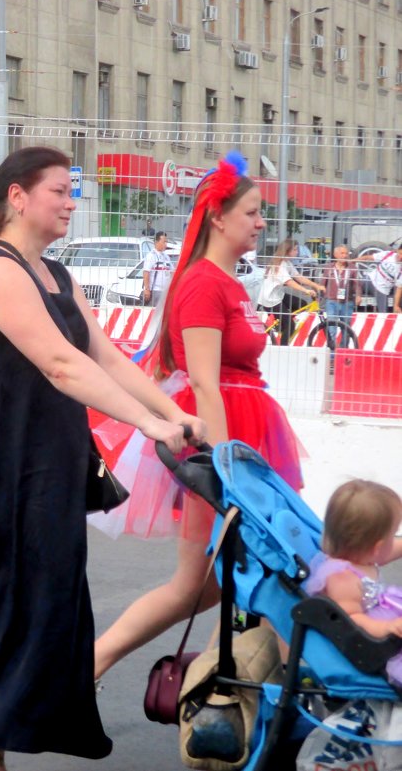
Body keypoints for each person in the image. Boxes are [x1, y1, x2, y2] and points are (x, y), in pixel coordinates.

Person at [0, 146, 199, 771]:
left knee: (42, 609)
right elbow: (62, 365)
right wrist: (147, 424)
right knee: (4, 611)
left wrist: (170, 414)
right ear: (17, 196)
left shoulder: (55, 273)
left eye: (73, 191)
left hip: (46, 469)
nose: (72, 201)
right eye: (60, 190)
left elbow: (105, 356)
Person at [93, 152, 306, 683]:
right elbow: (205, 383)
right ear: (218, 216)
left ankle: (227, 687)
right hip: (227, 439)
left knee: (231, 578)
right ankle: (95, 663)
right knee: (203, 582)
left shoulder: (229, 282)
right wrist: (230, 469)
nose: (262, 223)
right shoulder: (204, 284)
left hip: (248, 433)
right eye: (254, 212)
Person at [304, 480, 402, 685]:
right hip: (371, 641)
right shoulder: (342, 578)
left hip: (386, 611)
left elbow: (387, 553)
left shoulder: (361, 555)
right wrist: (386, 627)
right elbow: (350, 619)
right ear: (377, 546)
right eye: (393, 536)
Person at [257, 238, 325, 345]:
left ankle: (283, 324)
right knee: (290, 326)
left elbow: (298, 277)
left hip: (279, 295)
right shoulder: (279, 265)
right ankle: (283, 346)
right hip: (270, 299)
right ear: (287, 250)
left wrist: (315, 285)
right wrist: (305, 290)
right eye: (295, 249)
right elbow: (289, 282)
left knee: (302, 304)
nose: (297, 252)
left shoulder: (287, 262)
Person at [322, 244, 362, 342]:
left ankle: (343, 353)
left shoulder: (352, 268)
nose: (344, 256)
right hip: (331, 301)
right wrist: (320, 297)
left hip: (347, 302)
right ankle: (332, 353)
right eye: (342, 253)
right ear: (335, 255)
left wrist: (358, 295)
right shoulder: (329, 267)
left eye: (346, 253)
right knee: (332, 329)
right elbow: (323, 283)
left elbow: (357, 284)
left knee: (346, 329)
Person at [363, 246, 402, 313]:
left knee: (384, 313)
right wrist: (353, 261)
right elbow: (369, 257)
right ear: (398, 250)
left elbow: (399, 288)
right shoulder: (388, 254)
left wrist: (396, 305)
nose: (401, 257)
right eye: (400, 253)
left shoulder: (400, 269)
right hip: (369, 280)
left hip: (381, 290)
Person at [142, 231, 173, 307]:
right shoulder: (151, 256)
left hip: (165, 291)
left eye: (166, 242)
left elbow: (172, 271)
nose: (166, 244)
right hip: (155, 290)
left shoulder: (166, 256)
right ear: (156, 242)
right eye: (163, 242)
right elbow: (146, 272)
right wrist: (147, 289)